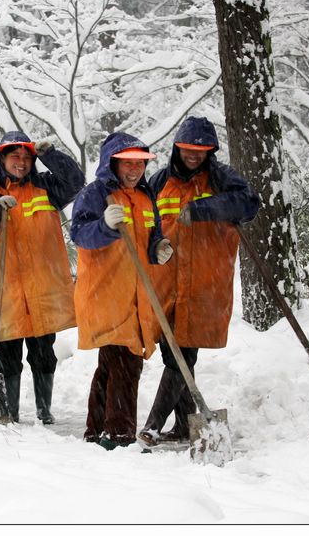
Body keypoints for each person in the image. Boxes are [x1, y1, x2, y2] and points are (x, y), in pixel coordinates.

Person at [138, 116, 259, 446]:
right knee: (172, 353)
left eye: (202, 150)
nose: (194, 155)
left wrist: (203, 208)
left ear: (210, 151)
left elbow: (249, 204)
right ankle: (182, 425)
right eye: (189, 149)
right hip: (165, 279)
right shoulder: (160, 181)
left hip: (203, 282)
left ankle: (152, 425)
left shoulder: (219, 178)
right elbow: (147, 223)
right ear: (178, 147)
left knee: (184, 353)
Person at [0, 130, 84, 424]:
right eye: (14, 156)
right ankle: (10, 413)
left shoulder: (46, 187)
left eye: (26, 157)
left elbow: (75, 181)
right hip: (7, 288)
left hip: (43, 286)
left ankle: (44, 410)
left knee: (43, 354)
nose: (21, 162)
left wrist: (49, 154)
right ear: (1, 158)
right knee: (8, 356)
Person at [71, 132, 174, 450]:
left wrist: (158, 247)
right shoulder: (95, 195)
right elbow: (80, 235)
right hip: (106, 292)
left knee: (111, 363)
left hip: (136, 294)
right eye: (127, 163)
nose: (134, 170)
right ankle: (118, 434)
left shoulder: (145, 197)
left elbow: (152, 233)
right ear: (112, 163)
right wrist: (103, 225)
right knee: (127, 362)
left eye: (140, 164)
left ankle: (97, 428)